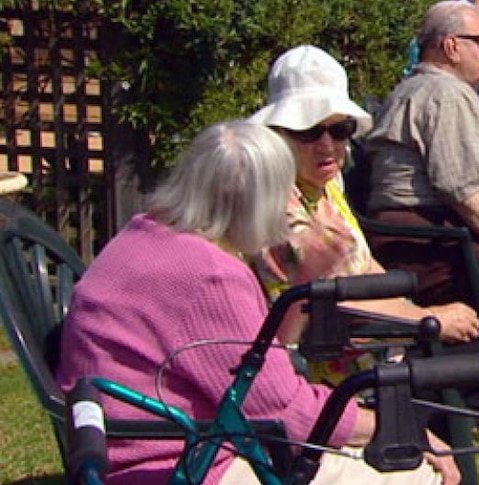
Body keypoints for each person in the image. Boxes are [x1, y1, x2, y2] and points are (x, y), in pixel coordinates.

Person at [54, 121, 458, 485]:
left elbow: (255, 373)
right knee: (415, 472)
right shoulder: (210, 275)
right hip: (179, 460)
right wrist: (402, 428)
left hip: (120, 442)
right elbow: (286, 413)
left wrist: (304, 283)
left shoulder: (147, 232)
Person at [249, 44, 479, 485]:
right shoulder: (280, 211)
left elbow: (366, 270)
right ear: (278, 133)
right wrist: (430, 318)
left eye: (340, 129)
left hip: (384, 345)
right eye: (308, 132)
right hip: (349, 370)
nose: (328, 145)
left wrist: (413, 309)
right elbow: (341, 305)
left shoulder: (325, 188)